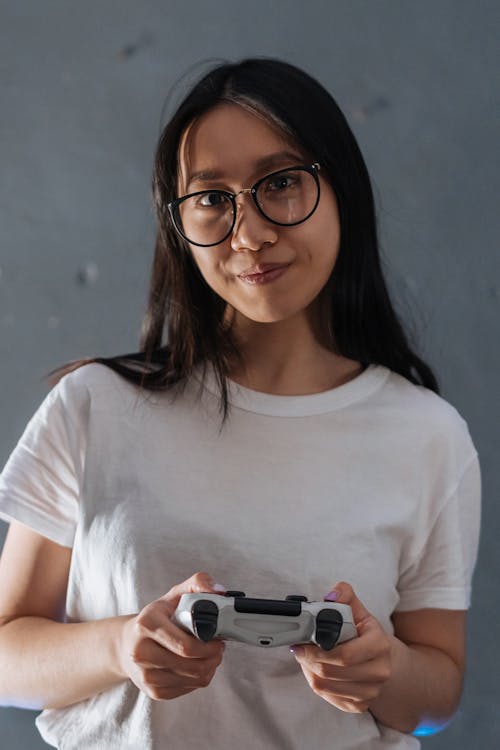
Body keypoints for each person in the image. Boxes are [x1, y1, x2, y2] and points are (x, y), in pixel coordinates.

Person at [0, 57, 481, 750]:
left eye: (281, 184)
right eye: (212, 199)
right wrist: (119, 648)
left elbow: (438, 695)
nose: (249, 234)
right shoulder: (93, 408)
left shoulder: (427, 436)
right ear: (178, 222)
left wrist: (385, 670)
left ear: (341, 186)